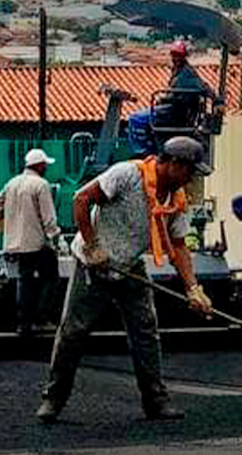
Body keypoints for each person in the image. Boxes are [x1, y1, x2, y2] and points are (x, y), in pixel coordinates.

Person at [37, 136, 214, 424]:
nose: (192, 178)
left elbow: (179, 245)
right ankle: (53, 399)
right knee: (73, 332)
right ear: (173, 164)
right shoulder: (127, 175)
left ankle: (156, 401)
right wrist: (93, 246)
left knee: (146, 332)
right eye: (190, 171)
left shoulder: (174, 199)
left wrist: (193, 288)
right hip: (92, 265)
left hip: (130, 266)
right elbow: (81, 199)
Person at [0, 148, 62, 337]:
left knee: (25, 280)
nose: (46, 168)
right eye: (44, 165)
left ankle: (23, 324)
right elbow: (49, 219)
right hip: (35, 242)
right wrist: (56, 239)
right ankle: (42, 318)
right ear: (38, 165)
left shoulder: (12, 183)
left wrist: (12, 214)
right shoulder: (41, 185)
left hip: (14, 244)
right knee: (51, 278)